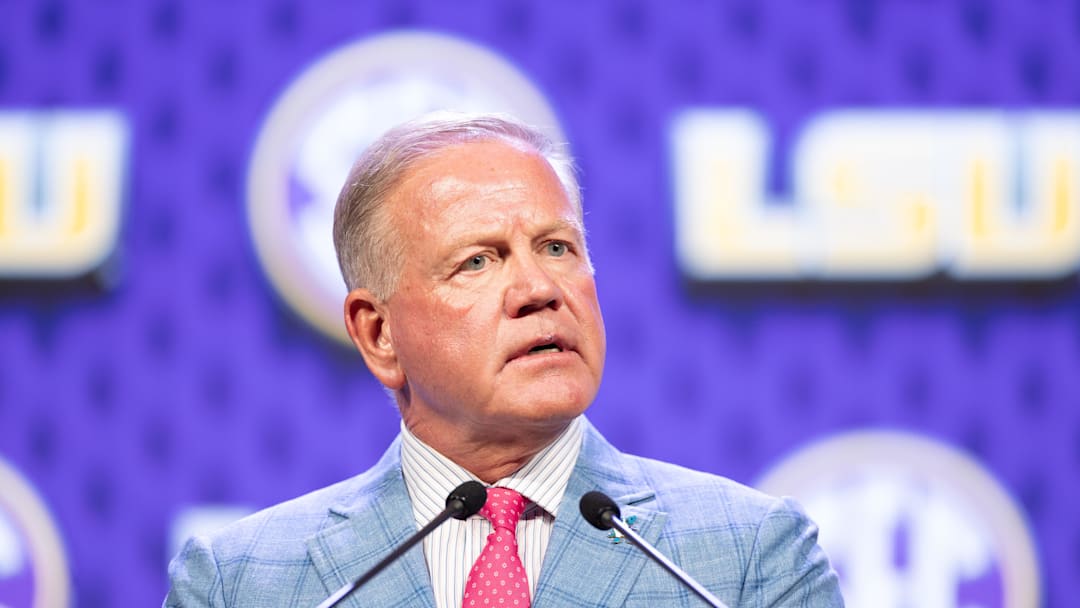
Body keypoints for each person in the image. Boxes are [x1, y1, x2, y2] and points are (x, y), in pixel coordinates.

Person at [164, 113, 843, 607]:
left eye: (557, 248)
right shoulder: (243, 583)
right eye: (478, 261)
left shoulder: (747, 558)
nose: (538, 290)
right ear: (377, 333)